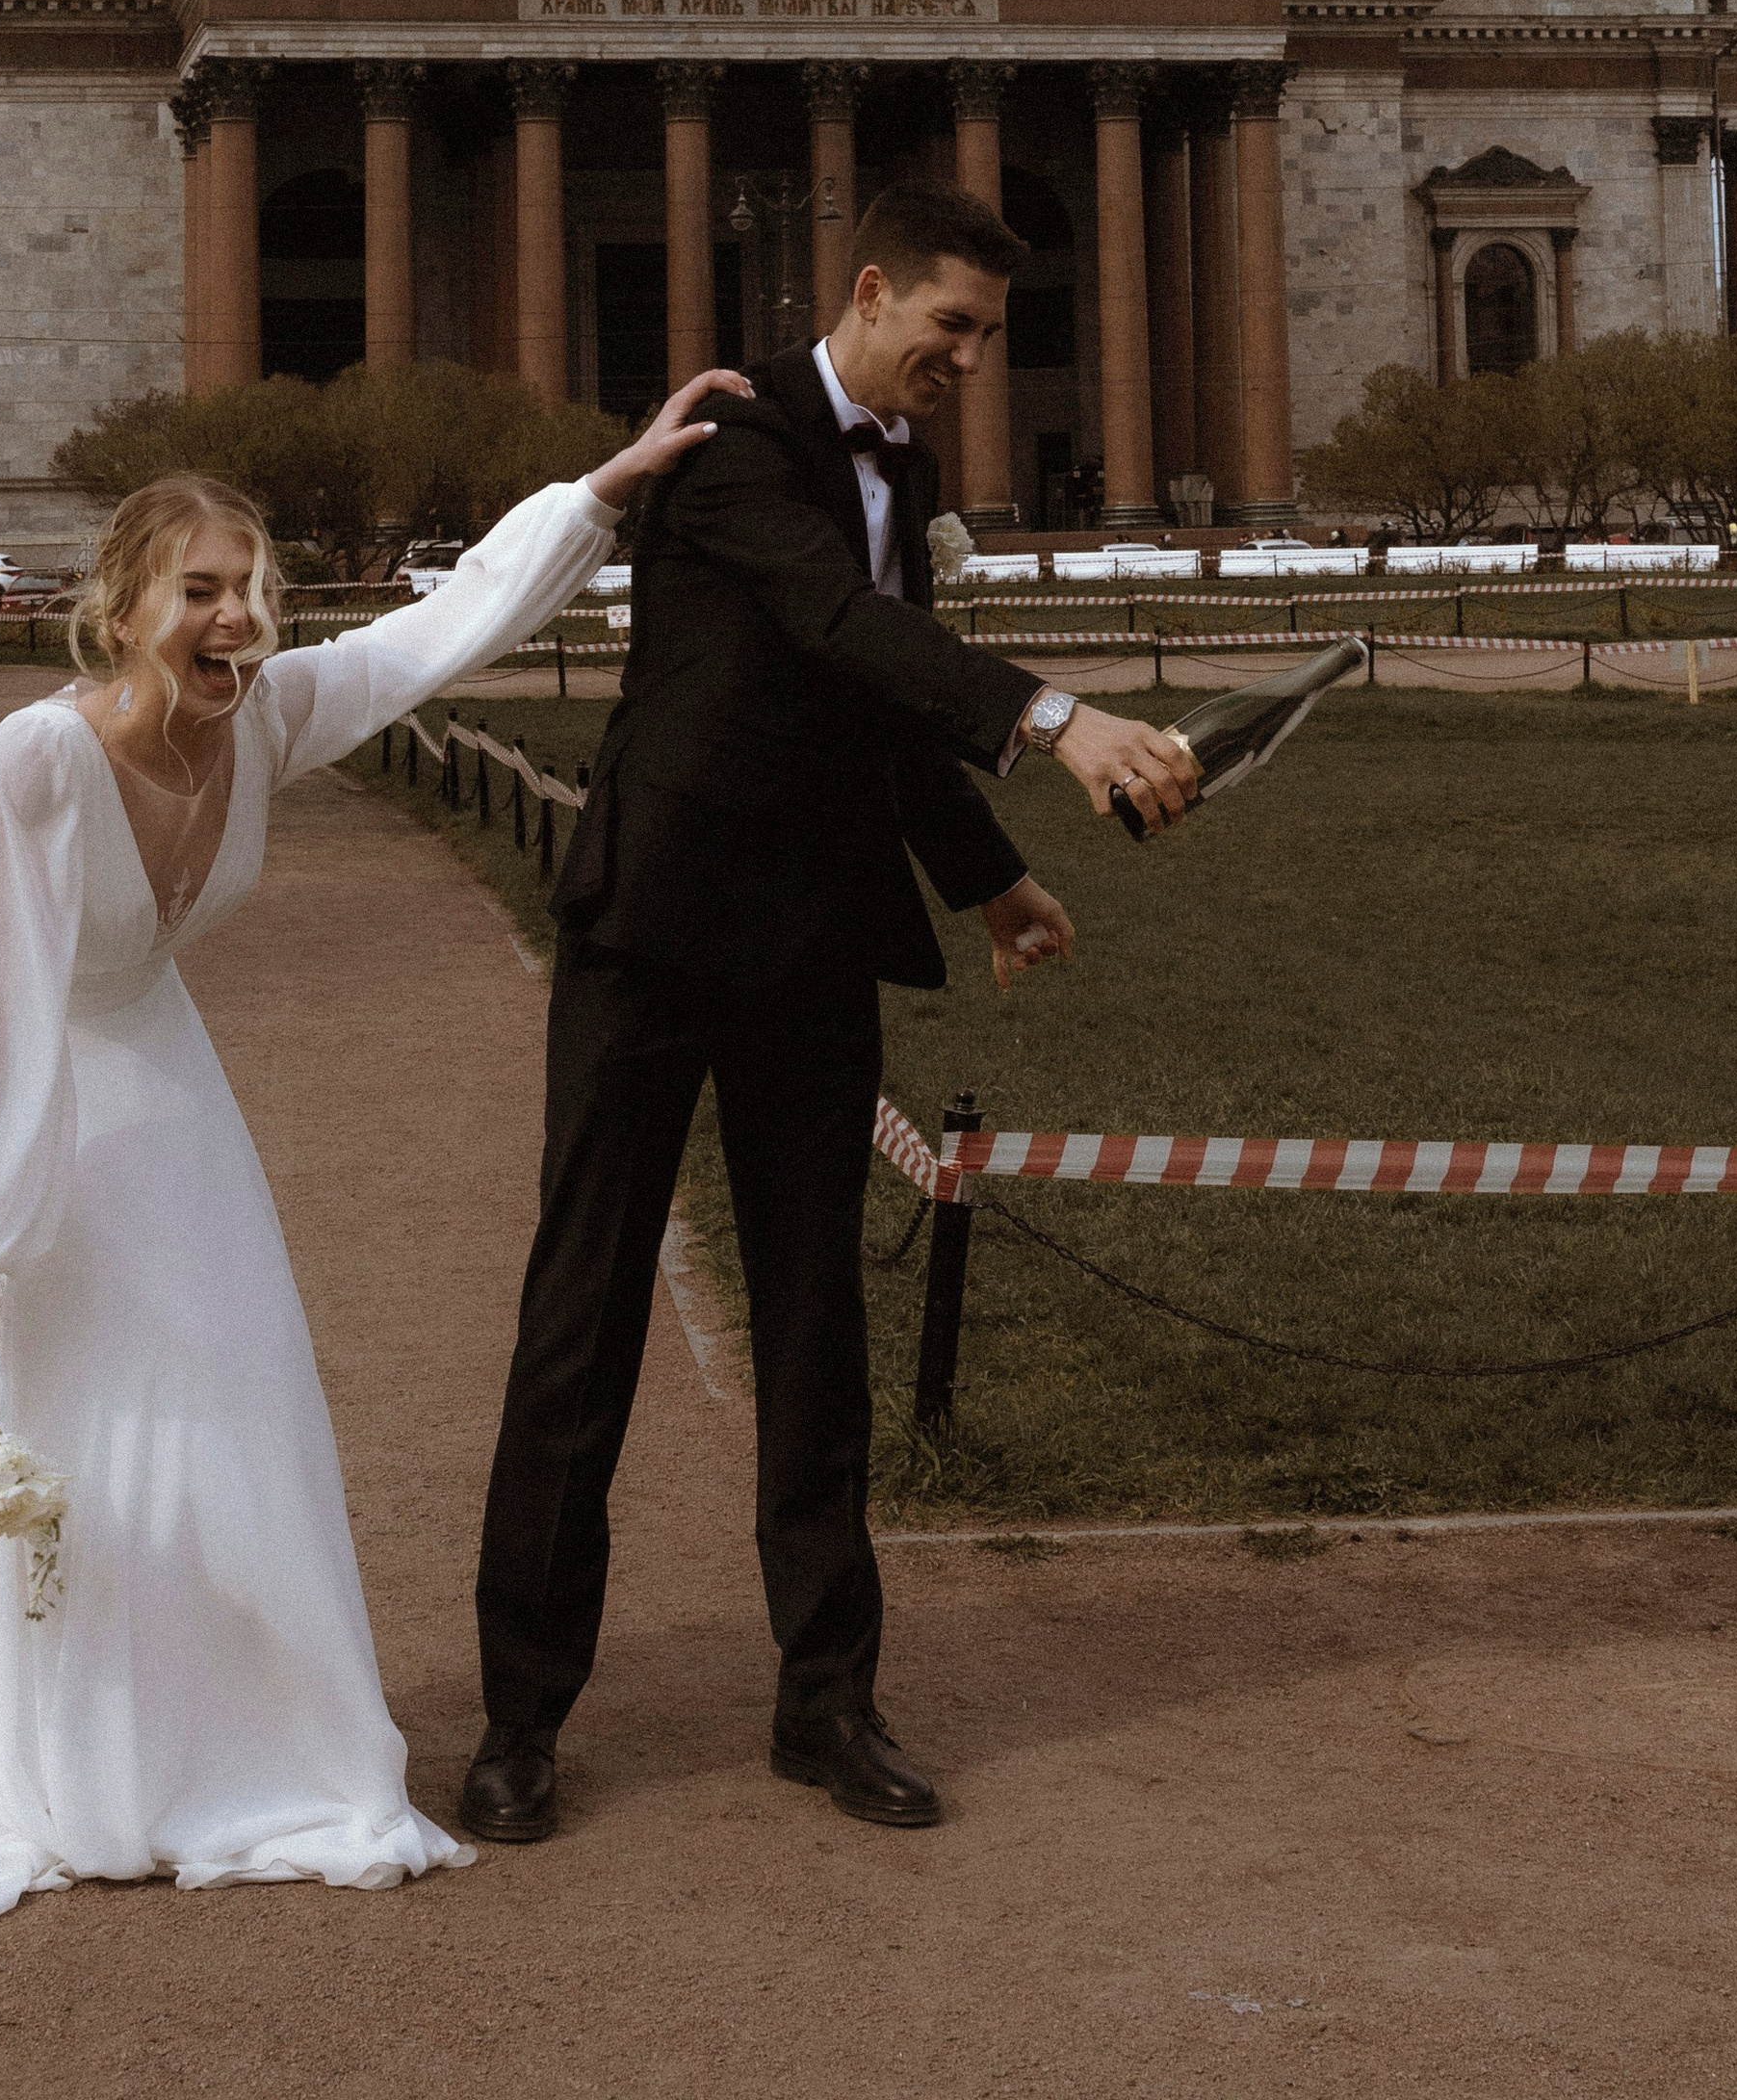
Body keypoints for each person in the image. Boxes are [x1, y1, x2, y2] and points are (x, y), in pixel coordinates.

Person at [0, 374, 746, 1962]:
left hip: (154, 1079)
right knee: (39, 1422)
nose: (238, 619)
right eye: (201, 592)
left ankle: (224, 1750)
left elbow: (434, 635)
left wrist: (602, 495)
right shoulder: (27, 764)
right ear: (124, 604)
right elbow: (5, 1009)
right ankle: (39, 1760)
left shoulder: (274, 714)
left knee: (222, 1393)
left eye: (254, 591)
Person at [466, 183, 1196, 1847]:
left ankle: (827, 1703)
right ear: (870, 292)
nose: (972, 360)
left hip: (808, 940)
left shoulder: (908, 467)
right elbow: (832, 618)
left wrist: (990, 879)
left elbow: (873, 693)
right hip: (650, 934)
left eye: (991, 337)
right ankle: (520, 1719)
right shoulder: (726, 432)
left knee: (817, 1331)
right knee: (580, 1325)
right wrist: (1056, 719)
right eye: (952, 326)